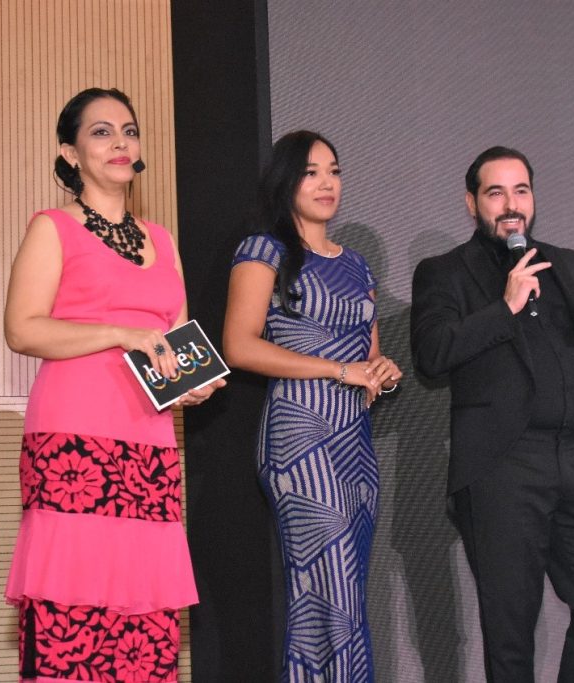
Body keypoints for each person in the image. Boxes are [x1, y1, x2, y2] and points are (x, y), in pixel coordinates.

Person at [410, 146, 574, 682]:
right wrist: (504, 306)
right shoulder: (444, 273)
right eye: (495, 192)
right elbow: (432, 357)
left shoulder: (568, 264)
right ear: (471, 202)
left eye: (521, 191)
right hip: (503, 466)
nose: (510, 205)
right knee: (510, 632)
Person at [2, 87, 224, 682]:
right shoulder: (53, 227)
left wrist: (192, 384)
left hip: (147, 440)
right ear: (70, 153)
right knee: (71, 610)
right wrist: (118, 333)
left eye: (128, 130)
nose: (120, 142)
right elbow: (22, 330)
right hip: (72, 435)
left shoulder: (163, 240)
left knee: (142, 615)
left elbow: (174, 342)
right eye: (101, 132)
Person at [223, 130, 401, 682]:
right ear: (286, 180)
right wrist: (337, 370)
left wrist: (381, 373)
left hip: (355, 441)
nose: (326, 183)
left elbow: (367, 358)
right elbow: (239, 344)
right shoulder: (264, 249)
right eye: (310, 172)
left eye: (334, 171)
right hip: (301, 439)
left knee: (345, 593)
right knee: (329, 596)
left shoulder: (358, 266)